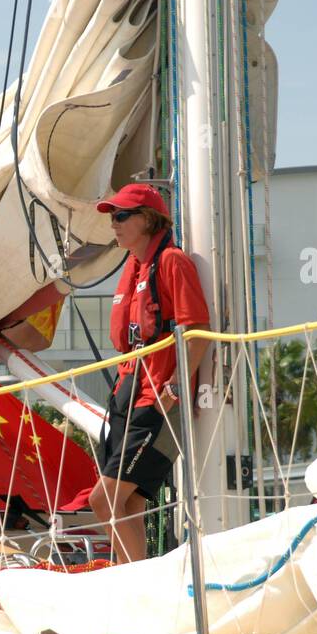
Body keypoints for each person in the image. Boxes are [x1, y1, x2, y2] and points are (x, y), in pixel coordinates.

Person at [88, 183, 211, 565]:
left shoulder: (171, 262)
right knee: (131, 502)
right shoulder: (136, 266)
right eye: (112, 216)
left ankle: (130, 582)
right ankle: (136, 583)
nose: (115, 223)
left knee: (103, 499)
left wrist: (175, 385)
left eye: (122, 215)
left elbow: (196, 330)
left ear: (149, 218)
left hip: (157, 401)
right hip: (128, 395)